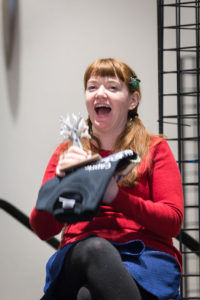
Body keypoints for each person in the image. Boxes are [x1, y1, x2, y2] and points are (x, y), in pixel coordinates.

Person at [30, 58, 184, 300]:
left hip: (145, 261)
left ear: (132, 100)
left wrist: (115, 196)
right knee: (94, 248)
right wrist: (59, 186)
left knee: (86, 296)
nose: (100, 93)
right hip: (80, 255)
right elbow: (42, 228)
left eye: (112, 87)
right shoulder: (68, 153)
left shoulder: (155, 149)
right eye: (92, 87)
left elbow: (173, 222)